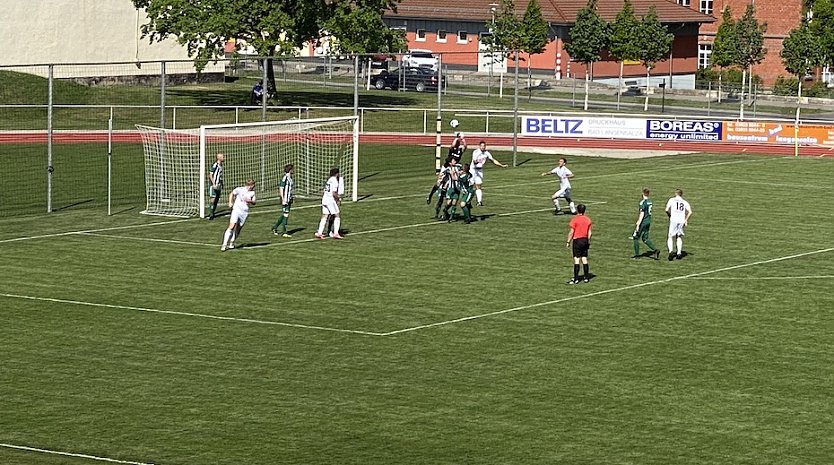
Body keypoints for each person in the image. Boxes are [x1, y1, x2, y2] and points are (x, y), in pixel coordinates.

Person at [220, 178, 256, 251]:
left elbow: (254, 202)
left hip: (244, 212)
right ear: (250, 185)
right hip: (236, 210)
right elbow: (231, 194)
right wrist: (230, 202)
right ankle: (224, 244)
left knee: (238, 228)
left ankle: (232, 242)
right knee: (232, 226)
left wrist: (250, 201)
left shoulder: (252, 193)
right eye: (253, 185)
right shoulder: (240, 189)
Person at [469, 140, 507, 206]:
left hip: (480, 170)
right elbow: (474, 161)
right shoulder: (476, 152)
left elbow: (493, 160)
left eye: (484, 146)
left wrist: (501, 165)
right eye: (481, 146)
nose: (483, 147)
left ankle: (479, 201)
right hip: (473, 170)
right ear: (479, 146)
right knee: (470, 185)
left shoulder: (486, 153)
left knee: (478, 185)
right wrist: (477, 161)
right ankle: (467, 200)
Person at [566, 203, 592, 284]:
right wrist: (588, 241)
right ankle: (586, 277)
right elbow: (590, 233)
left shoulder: (575, 219)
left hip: (577, 240)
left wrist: (568, 241)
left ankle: (576, 278)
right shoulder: (588, 220)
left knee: (576, 259)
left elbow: (571, 232)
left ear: (577, 210)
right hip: (585, 240)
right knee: (584, 258)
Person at [632, 187, 660, 259]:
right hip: (648, 221)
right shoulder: (650, 201)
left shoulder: (643, 202)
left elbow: (642, 213)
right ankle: (655, 250)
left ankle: (637, 255)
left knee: (635, 237)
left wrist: (638, 223)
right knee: (645, 238)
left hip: (643, 222)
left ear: (643, 193)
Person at [665, 189, 693, 261]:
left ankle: (671, 251)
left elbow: (666, 209)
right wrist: (686, 219)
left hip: (674, 220)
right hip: (681, 220)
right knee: (679, 236)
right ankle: (679, 253)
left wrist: (670, 215)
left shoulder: (672, 200)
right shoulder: (684, 202)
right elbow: (690, 212)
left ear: (676, 194)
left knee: (670, 236)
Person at [315, 168, 343, 240]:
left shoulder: (329, 180)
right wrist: (338, 199)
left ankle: (319, 232)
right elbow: (334, 193)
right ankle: (336, 233)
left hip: (324, 199)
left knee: (325, 216)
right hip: (330, 200)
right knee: (337, 215)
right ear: (337, 174)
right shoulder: (335, 181)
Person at [271, 164, 294, 238]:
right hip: (285, 199)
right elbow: (281, 188)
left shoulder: (290, 178)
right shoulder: (285, 178)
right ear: (290, 170)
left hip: (288, 199)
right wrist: (283, 199)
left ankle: (274, 228)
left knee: (285, 214)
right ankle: (284, 232)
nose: (294, 170)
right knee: (286, 215)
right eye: (292, 169)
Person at [207, 153, 224, 220]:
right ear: (219, 158)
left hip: (218, 185)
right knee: (213, 199)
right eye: (223, 157)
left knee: (216, 199)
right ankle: (211, 215)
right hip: (214, 185)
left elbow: (220, 176)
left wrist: (222, 184)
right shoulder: (215, 165)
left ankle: (213, 213)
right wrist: (213, 183)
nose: (224, 158)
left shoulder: (220, 166)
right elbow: (210, 174)